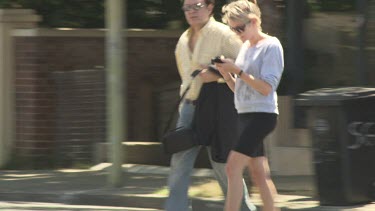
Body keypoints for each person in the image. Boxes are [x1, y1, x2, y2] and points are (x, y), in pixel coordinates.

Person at [165, 0, 256, 211]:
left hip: (217, 109)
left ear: (209, 7)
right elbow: (186, 77)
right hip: (189, 108)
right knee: (180, 160)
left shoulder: (223, 33)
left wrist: (217, 73)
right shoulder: (183, 40)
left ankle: (243, 208)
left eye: (196, 6)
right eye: (187, 7)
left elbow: (246, 62)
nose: (192, 12)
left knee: (222, 164)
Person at [216, 0, 284, 211]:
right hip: (245, 114)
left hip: (262, 116)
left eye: (239, 28)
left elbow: (266, 88)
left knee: (231, 168)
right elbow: (241, 89)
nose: (237, 33)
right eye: (232, 29)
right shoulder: (245, 46)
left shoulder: (271, 46)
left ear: (254, 21)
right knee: (259, 174)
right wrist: (226, 75)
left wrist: (238, 71)